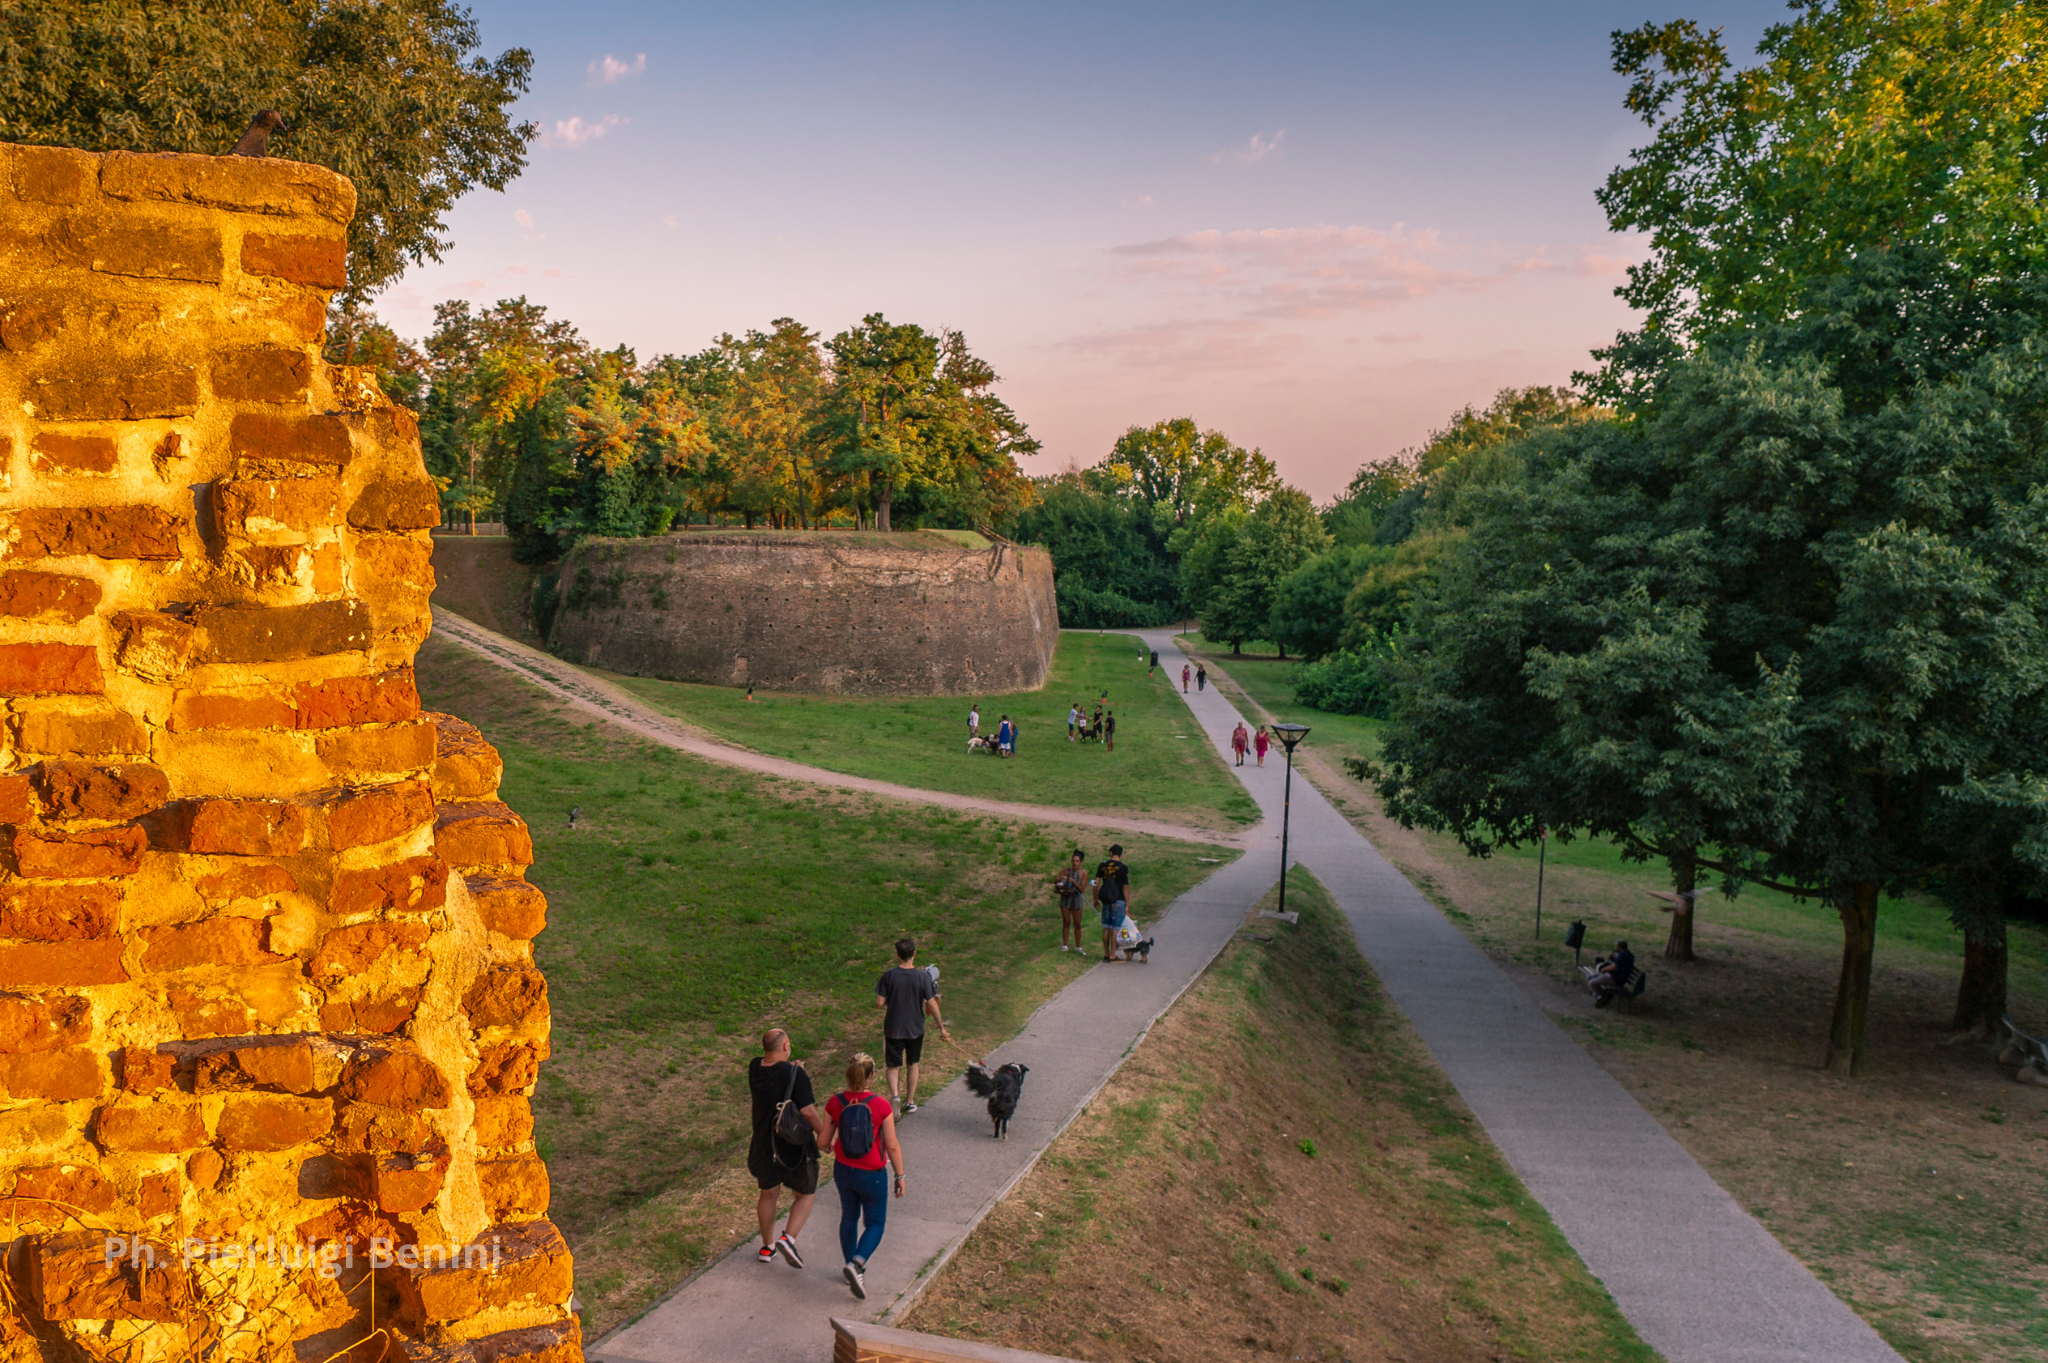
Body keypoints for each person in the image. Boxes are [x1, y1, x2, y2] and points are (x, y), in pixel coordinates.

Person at [824, 1053, 904, 1300]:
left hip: (843, 1170)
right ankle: (857, 1264)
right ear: (872, 1076)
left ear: (848, 1074)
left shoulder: (835, 1102)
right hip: (872, 1174)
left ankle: (850, 1263)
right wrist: (900, 1175)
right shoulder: (880, 1105)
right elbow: (891, 1145)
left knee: (849, 1217)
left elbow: (823, 1141)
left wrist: (830, 1144)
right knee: (875, 1223)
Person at [747, 1028, 826, 1268]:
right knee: (806, 1193)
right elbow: (807, 1111)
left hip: (763, 1143)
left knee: (768, 1194)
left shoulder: (754, 1068)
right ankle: (788, 1238)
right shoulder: (795, 1074)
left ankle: (767, 1246)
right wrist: (823, 1133)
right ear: (785, 1046)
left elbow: (776, 1076)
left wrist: (794, 1071)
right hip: (792, 1146)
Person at [875, 938, 948, 1111]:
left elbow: (879, 1003)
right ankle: (910, 1101)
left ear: (897, 955)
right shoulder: (922, 977)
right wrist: (942, 1028)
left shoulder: (889, 975)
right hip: (915, 1028)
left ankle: (895, 1097)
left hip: (893, 1028)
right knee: (913, 1064)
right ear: (914, 954)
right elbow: (932, 1004)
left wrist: (890, 999)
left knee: (893, 1066)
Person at [1094, 844, 1132, 963]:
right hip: (1118, 900)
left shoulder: (1103, 865)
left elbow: (1096, 883)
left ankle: (1105, 954)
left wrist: (1095, 899)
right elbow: (1125, 887)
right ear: (1120, 854)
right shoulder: (1123, 867)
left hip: (1106, 900)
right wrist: (1127, 904)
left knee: (1106, 927)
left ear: (1111, 853)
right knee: (1115, 928)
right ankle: (1112, 955)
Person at [1054, 849, 1088, 951]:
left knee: (1077, 923)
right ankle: (1065, 945)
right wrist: (1062, 878)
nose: (1075, 863)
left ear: (1081, 862)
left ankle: (1078, 946)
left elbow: (1081, 889)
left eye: (1077, 861)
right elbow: (1055, 880)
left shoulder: (1083, 874)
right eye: (1073, 861)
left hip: (1076, 900)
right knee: (1066, 921)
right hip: (1065, 899)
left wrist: (1073, 882)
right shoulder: (1066, 870)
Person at [1588, 940, 1636, 1007]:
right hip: (1619, 977)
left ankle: (1603, 995)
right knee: (1590, 977)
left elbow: (1612, 967)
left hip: (1615, 978)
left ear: (1619, 947)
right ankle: (1599, 995)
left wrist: (1603, 970)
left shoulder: (1622, 955)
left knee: (1592, 982)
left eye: (1617, 946)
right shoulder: (1629, 955)